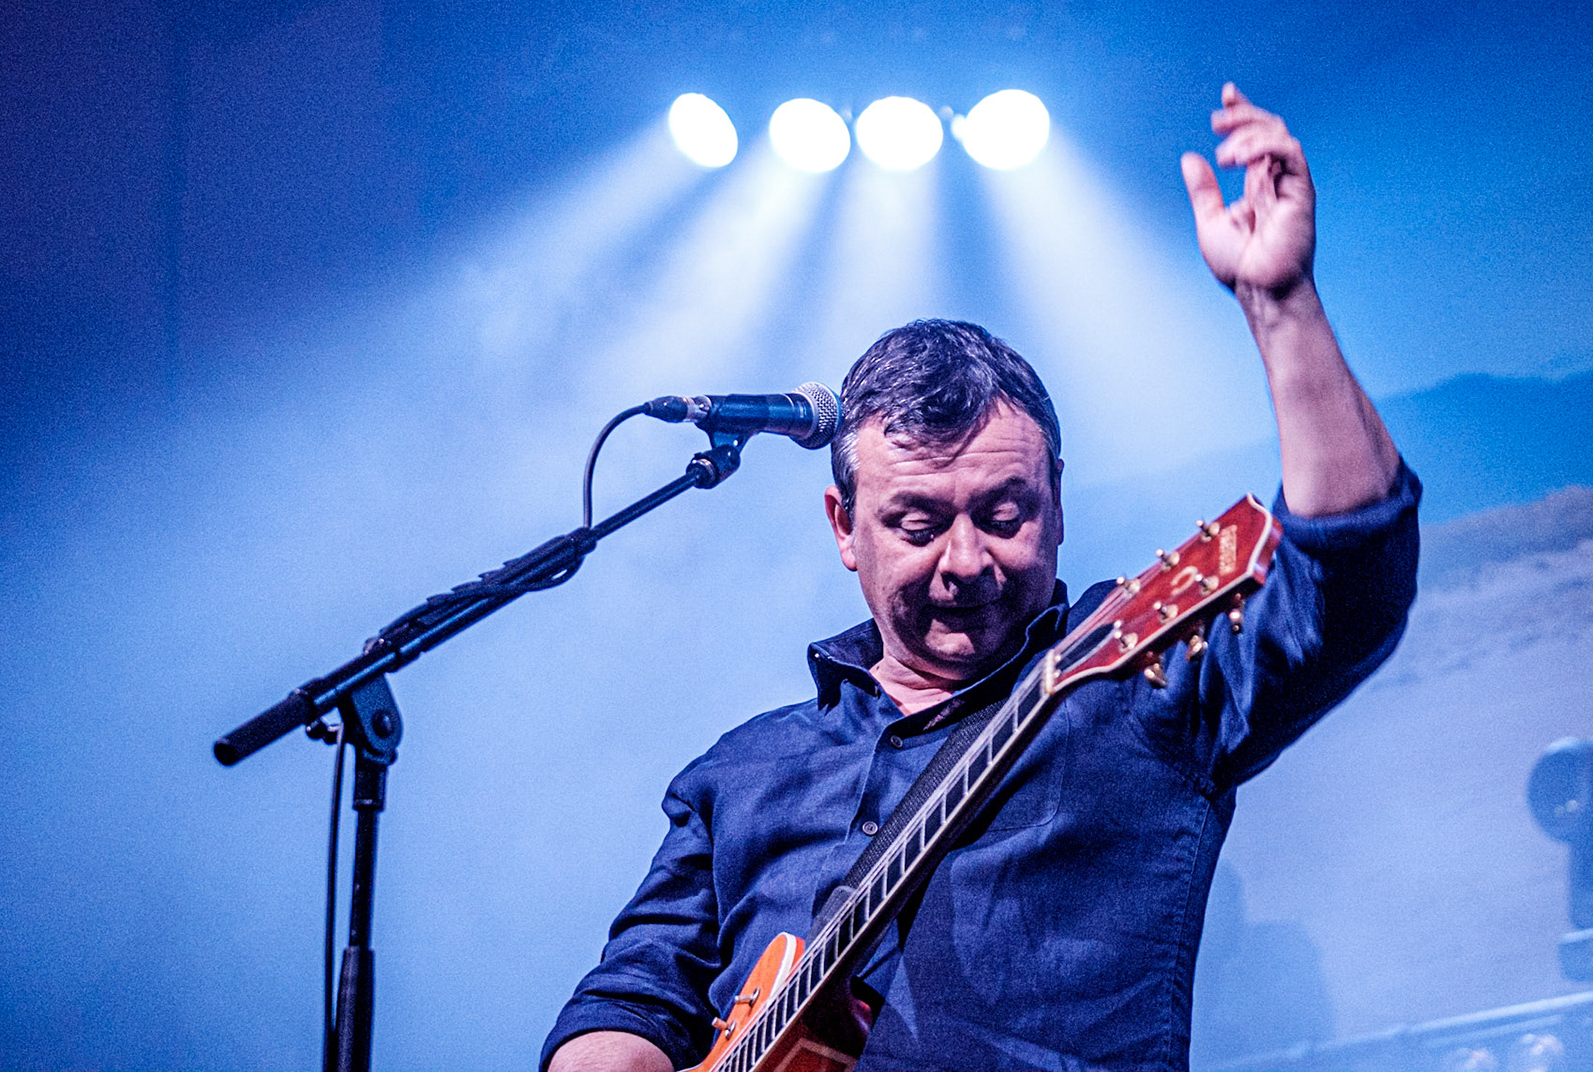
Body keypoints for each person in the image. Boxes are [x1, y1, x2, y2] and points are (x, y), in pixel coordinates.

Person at [544, 84, 1420, 1072]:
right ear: (844, 525)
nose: (966, 562)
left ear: (1058, 500)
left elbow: (1350, 588)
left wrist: (1281, 305)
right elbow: (628, 1004)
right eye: (919, 523)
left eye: (1004, 515)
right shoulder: (740, 772)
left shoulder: (1138, 679)